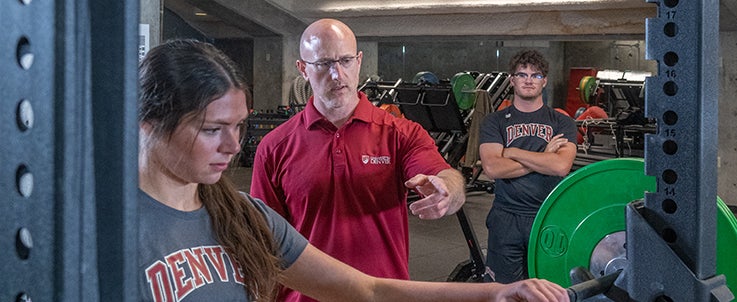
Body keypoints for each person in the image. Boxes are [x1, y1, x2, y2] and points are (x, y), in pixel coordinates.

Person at [137, 39, 569, 302]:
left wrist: (496, 292)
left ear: (359, 62)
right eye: (214, 129)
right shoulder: (104, 229)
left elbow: (369, 290)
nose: (233, 147)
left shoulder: (240, 214)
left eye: (238, 127)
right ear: (148, 122)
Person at [250, 18, 467, 301]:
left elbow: (448, 178)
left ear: (359, 61)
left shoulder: (400, 134)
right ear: (303, 69)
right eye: (324, 63)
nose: (338, 74)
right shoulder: (275, 147)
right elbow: (263, 241)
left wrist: (447, 191)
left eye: (345, 61)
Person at [478, 50, 578, 284]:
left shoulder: (562, 122)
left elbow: (561, 166)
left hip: (548, 216)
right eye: (522, 74)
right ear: (512, 80)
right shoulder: (495, 122)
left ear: (544, 81)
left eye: (536, 75)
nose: (529, 80)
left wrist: (512, 152)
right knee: (503, 291)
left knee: (548, 289)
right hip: (506, 217)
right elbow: (492, 168)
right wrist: (543, 156)